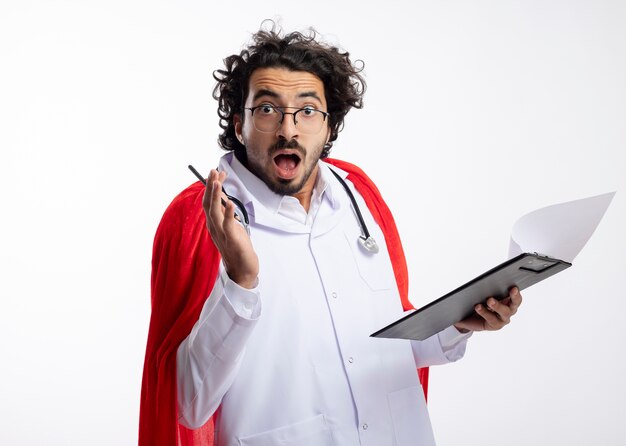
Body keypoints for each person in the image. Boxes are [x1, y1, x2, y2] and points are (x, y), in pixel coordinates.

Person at [139, 23, 522, 446]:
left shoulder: (359, 195)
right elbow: (188, 405)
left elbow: (388, 346)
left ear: (328, 124)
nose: (289, 130)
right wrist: (239, 280)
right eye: (267, 109)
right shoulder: (200, 218)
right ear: (238, 123)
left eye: (307, 111)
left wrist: (460, 323)